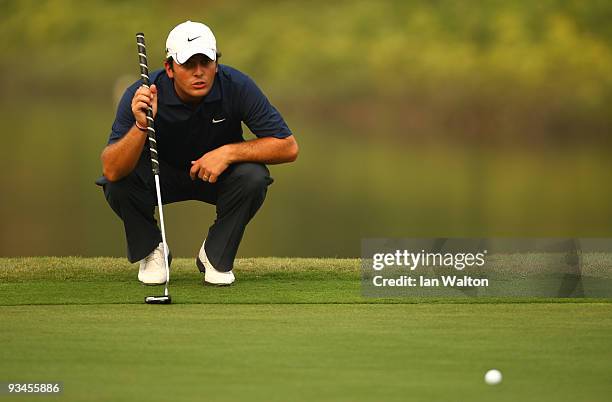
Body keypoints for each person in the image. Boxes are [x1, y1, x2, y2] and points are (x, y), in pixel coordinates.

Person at [97, 21, 298, 286]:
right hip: (160, 176)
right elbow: (111, 170)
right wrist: (141, 125)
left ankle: (215, 255)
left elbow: (288, 146)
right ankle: (152, 250)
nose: (199, 72)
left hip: (215, 175)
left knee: (254, 176)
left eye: (206, 62)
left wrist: (227, 153)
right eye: (189, 64)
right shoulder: (144, 93)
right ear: (169, 68)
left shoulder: (236, 85)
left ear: (217, 63)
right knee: (119, 183)